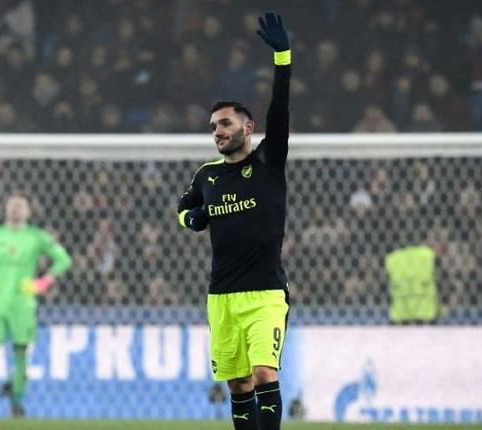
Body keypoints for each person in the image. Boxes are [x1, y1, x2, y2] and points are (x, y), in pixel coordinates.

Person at [176, 11, 291, 430]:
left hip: (265, 294)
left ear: (248, 125)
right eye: (213, 127)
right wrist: (192, 219)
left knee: (264, 374)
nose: (217, 132)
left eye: (224, 123)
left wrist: (283, 57)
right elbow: (183, 208)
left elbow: (281, 110)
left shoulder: (267, 162)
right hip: (221, 295)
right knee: (239, 384)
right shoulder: (206, 175)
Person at [0, 194, 71, 418]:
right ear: (5, 209)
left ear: (29, 212)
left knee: (20, 355)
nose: (17, 208)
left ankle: (17, 406)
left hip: (23, 305)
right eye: (13, 204)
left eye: (22, 205)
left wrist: (43, 282)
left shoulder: (37, 237)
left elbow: (63, 259)